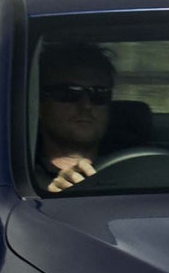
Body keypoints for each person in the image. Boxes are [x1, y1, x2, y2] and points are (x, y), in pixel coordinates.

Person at [36, 41, 116, 194]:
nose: (86, 105)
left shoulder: (138, 169)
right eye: (69, 93)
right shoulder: (18, 181)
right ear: (39, 104)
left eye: (99, 93)